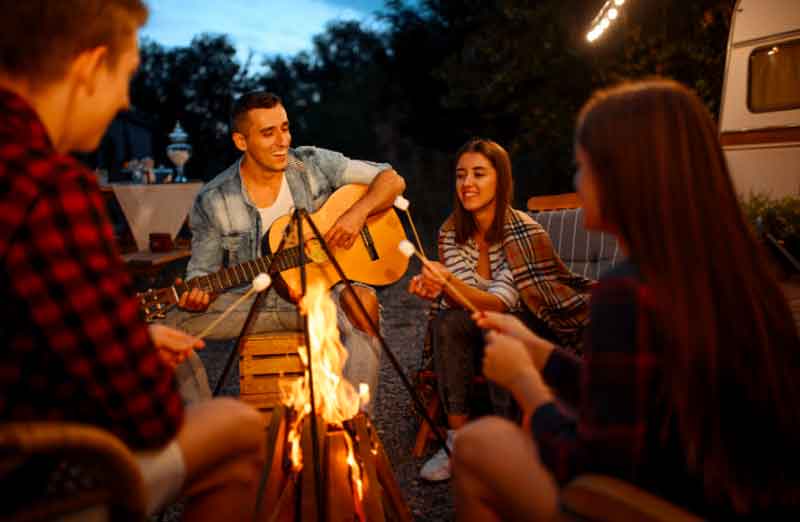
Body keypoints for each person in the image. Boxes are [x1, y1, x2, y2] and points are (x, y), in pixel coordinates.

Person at [455, 80, 800, 521]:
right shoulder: (737, 274)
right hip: (729, 494)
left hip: (658, 507)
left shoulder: (627, 291)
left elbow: (592, 465)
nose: (577, 183)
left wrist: (524, 384)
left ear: (623, 177)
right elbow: (632, 398)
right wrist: (538, 352)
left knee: (477, 443)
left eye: (582, 167)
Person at [0, 2, 270, 520]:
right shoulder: (48, 187)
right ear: (87, 67)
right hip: (28, 480)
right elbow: (147, 415)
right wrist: (130, 351)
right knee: (236, 426)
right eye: (125, 76)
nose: (125, 98)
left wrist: (126, 335)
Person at [164, 91, 405, 404]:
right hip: (253, 303)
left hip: (322, 294)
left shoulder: (311, 163)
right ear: (241, 141)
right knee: (168, 325)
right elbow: (203, 272)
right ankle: (206, 423)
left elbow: (392, 179)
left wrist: (356, 214)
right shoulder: (214, 198)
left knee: (364, 303)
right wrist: (199, 293)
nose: (282, 141)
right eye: (268, 133)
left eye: (285, 128)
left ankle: (356, 428)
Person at [408, 138, 592, 481]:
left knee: (500, 323)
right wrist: (440, 287)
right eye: (461, 175)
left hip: (531, 324)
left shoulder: (525, 232)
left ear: (500, 180)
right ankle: (457, 442)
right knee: (448, 321)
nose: (467, 184)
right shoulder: (450, 232)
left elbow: (500, 301)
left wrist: (447, 283)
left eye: (479, 174)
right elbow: (463, 299)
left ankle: (506, 443)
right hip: (477, 321)